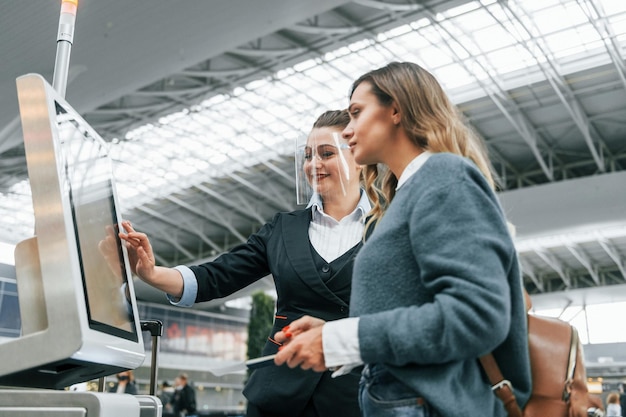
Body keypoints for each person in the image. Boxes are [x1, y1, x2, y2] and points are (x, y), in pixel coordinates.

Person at [273, 61, 532, 417]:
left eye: (356, 113)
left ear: (395, 109)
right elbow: (411, 309)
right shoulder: (408, 195)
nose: (347, 131)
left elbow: (477, 315)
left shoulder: (444, 178)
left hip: (429, 404)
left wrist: (343, 340)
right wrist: (334, 332)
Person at [119, 109, 369, 417]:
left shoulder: (389, 225)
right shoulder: (282, 229)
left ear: (358, 155)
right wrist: (153, 273)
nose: (313, 164)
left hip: (354, 395)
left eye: (326, 153)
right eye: (307, 155)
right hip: (278, 396)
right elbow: (218, 275)